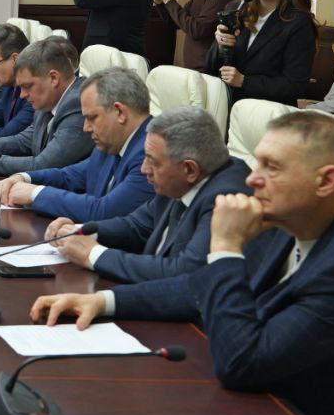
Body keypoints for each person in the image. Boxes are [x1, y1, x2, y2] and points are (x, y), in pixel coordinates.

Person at [30, 112, 334, 415]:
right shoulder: (296, 217)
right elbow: (198, 286)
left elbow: (242, 363)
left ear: (326, 181)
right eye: (257, 163)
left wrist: (226, 246)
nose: (252, 179)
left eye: (271, 167)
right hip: (261, 407)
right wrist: (104, 301)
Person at [41, 106, 251, 284]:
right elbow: (136, 226)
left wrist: (93, 254)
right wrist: (79, 232)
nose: (144, 169)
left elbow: (182, 273)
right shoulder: (179, 178)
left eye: (153, 161)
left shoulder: (227, 199)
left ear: (190, 170)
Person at [0, 67, 154, 221]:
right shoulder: (113, 142)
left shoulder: (150, 154)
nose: (86, 128)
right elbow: (69, 176)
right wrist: (24, 178)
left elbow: (105, 211)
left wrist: (36, 193)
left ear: (120, 112)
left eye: (91, 118)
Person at [0, 36, 93, 176]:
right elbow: (24, 140)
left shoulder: (78, 104)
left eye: (27, 86)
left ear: (53, 78)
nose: (22, 95)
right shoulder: (48, 99)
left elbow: (44, 165)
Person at [206, 0, 317, 107]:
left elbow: (296, 85)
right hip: (226, 104)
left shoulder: (299, 23)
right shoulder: (236, 9)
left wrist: (245, 81)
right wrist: (220, 46)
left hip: (267, 111)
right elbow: (210, 68)